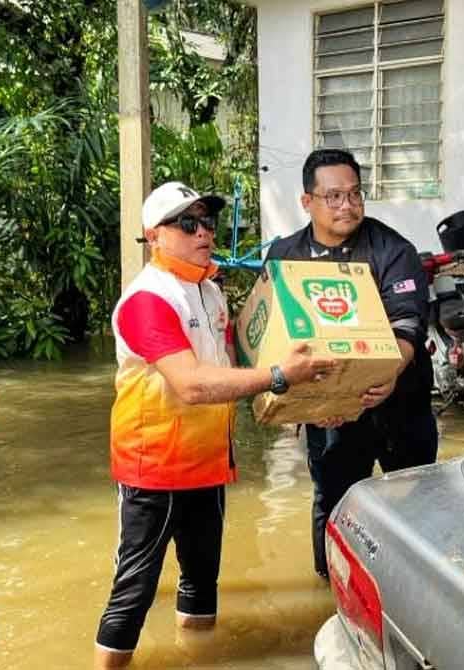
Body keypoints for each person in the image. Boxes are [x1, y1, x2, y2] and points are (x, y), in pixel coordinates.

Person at [94, 181, 336, 668]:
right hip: (154, 470)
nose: (203, 232)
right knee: (134, 592)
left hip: (208, 466)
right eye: (188, 223)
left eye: (207, 222)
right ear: (154, 235)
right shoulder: (147, 300)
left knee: (202, 582)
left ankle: (197, 658)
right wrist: (280, 376)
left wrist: (309, 403)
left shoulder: (210, 292)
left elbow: (233, 370)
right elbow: (192, 385)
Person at [264, 149, 439, 580]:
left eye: (355, 194)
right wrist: (305, 404)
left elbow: (408, 325)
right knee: (334, 502)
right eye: (334, 196)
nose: (347, 205)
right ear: (307, 202)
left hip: (399, 400)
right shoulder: (285, 256)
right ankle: (330, 586)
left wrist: (387, 373)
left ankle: (407, 591)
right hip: (330, 414)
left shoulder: (392, 250)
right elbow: (273, 337)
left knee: (414, 503)